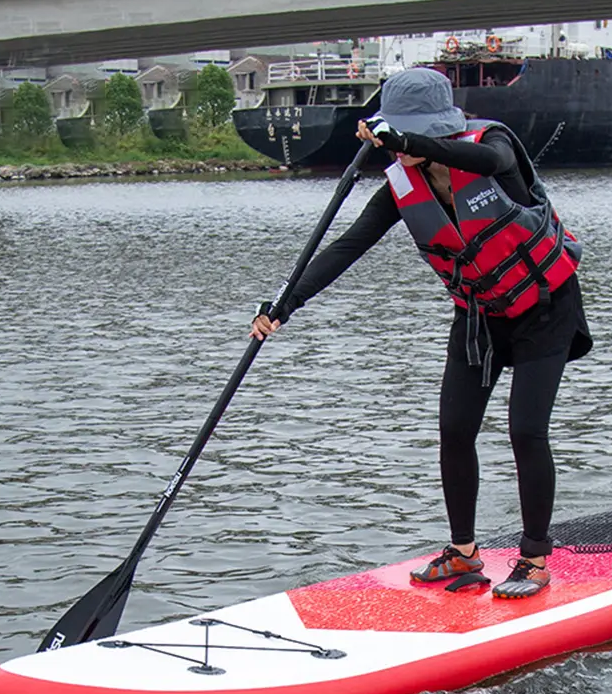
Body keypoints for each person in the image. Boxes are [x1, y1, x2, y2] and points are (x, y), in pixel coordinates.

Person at [252, 68, 592, 599]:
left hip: (545, 306)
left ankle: (534, 559)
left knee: (525, 430)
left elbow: (491, 164)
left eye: (409, 137)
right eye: (396, 138)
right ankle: (463, 553)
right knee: (454, 430)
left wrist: (410, 141)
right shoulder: (401, 187)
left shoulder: (492, 145)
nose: (399, 150)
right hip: (480, 317)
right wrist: (286, 303)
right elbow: (347, 246)